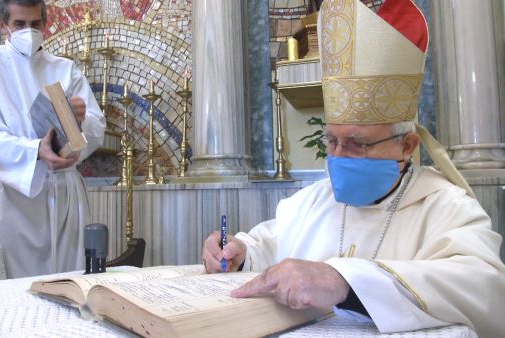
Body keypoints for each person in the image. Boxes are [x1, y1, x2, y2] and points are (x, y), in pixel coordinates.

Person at [202, 0, 505, 337]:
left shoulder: (448, 208)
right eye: (332, 142)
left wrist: (345, 281)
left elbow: (484, 287)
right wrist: (239, 253)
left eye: (357, 143)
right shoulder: (313, 202)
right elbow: (267, 244)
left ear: (407, 146)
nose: (339, 156)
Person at [0, 0, 105, 278]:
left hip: (63, 195)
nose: (28, 31)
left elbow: (97, 127)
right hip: (9, 195)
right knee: (7, 291)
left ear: (45, 24)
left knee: (67, 284)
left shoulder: (66, 69)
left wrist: (77, 125)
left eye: (35, 24)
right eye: (19, 24)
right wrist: (36, 149)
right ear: (3, 25)